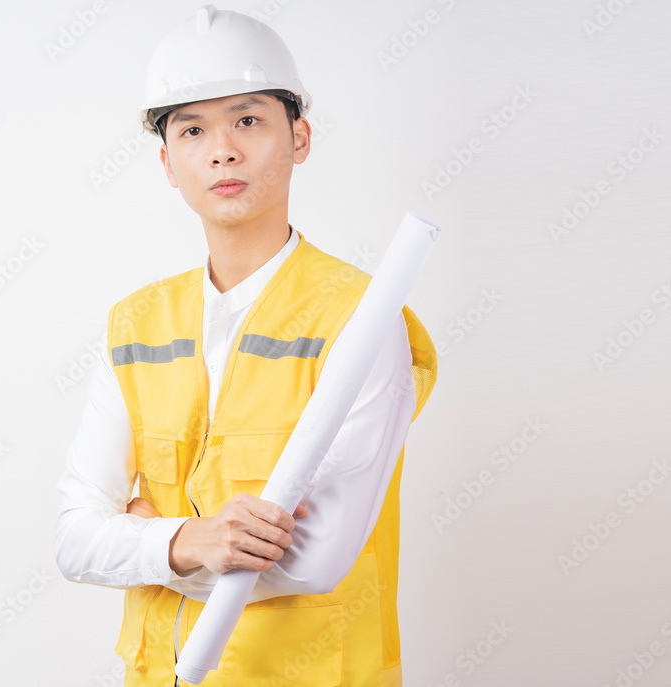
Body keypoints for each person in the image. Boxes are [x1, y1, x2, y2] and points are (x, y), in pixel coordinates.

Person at [54, 5, 437, 685]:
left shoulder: (359, 317)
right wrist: (187, 539)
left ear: (300, 136)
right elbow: (74, 538)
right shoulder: (136, 323)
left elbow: (317, 559)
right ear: (169, 162)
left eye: (248, 120)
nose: (222, 149)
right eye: (193, 128)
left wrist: (146, 540)